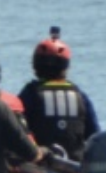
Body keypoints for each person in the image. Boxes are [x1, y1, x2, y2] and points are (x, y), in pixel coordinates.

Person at [16, 26, 101, 160]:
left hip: (42, 164)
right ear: (65, 66)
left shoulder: (30, 94)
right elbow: (95, 135)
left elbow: (15, 129)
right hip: (76, 165)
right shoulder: (80, 96)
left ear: (36, 65)